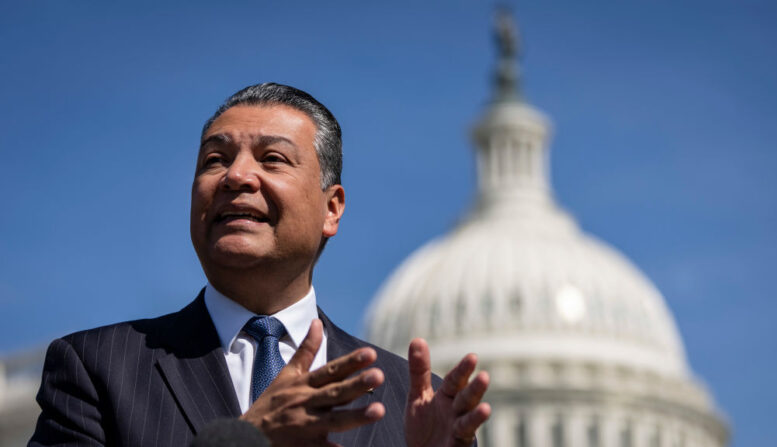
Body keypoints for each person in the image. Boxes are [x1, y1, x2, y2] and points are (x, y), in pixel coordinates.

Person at [29, 83, 491, 447]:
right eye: (215, 159)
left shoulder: (407, 400)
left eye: (272, 158)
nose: (236, 176)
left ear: (332, 209)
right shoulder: (98, 369)